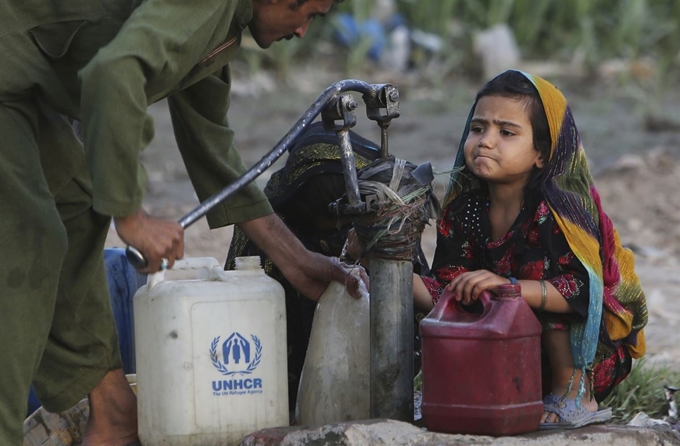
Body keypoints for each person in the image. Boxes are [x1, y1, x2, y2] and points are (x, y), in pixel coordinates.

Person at [0, 1, 363, 445]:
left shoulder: (224, 28)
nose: (304, 31)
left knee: (77, 196)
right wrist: (131, 215)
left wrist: (297, 261)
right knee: (30, 237)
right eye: (306, 12)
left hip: (21, 83)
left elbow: (213, 150)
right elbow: (115, 73)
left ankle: (114, 406)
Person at [413, 70, 648, 429]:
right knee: (406, 295)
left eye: (506, 132)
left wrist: (505, 289)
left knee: (536, 292)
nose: (486, 141)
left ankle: (574, 396)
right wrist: (387, 272)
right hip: (504, 345)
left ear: (541, 153)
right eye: (478, 129)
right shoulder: (465, 209)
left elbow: (585, 292)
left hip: (586, 354)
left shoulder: (557, 212)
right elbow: (448, 288)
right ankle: (453, 387)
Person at [226, 121, 432, 416]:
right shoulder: (265, 244)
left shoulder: (386, 230)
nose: (335, 237)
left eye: (347, 225)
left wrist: (372, 256)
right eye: (327, 224)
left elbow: (420, 321)